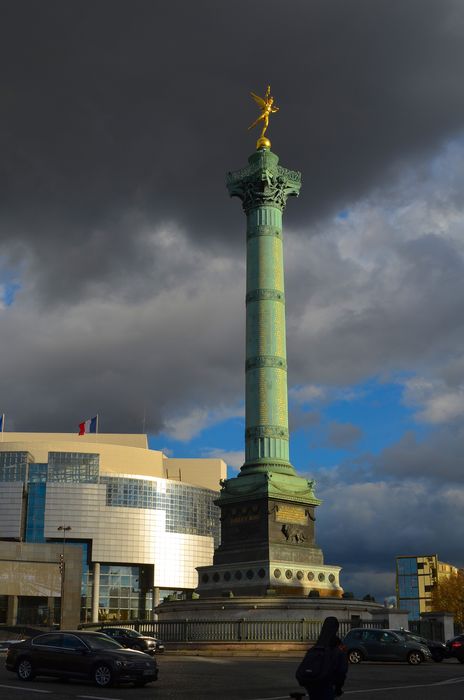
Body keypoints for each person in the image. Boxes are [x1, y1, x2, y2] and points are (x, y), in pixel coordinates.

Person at [299, 616, 348, 700]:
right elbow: (341, 671)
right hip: (326, 685)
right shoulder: (338, 648)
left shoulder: (315, 647)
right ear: (336, 628)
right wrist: (338, 688)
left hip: (310, 684)